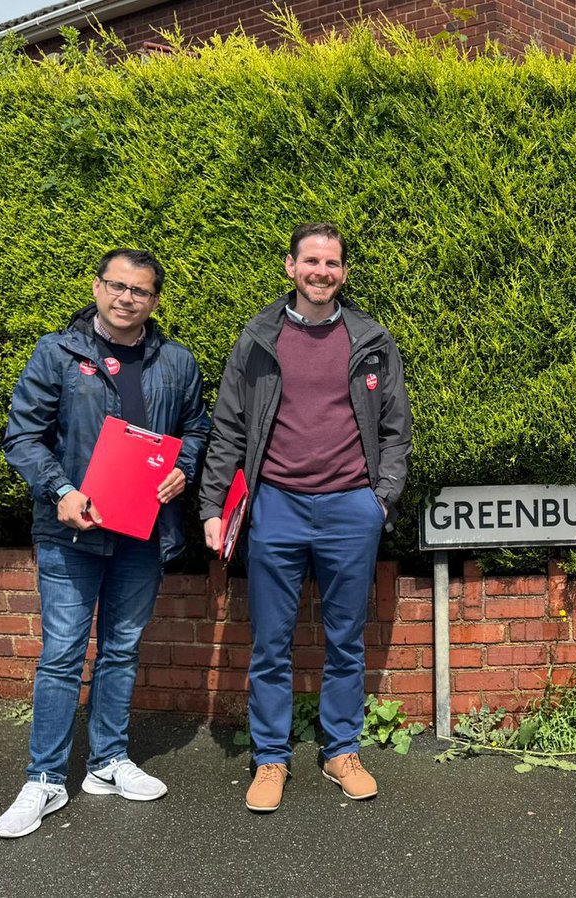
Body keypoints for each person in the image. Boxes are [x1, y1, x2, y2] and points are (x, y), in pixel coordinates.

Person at [199, 223, 411, 813]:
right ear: (290, 266)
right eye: (311, 261)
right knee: (271, 641)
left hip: (351, 508)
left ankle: (340, 749)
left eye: (333, 263)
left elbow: (396, 428)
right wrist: (214, 504)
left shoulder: (370, 338)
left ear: (343, 272)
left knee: (346, 640)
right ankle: (271, 757)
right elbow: (229, 428)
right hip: (276, 506)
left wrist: (381, 498)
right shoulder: (258, 338)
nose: (322, 271)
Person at [0, 249, 209, 839]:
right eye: (116, 286)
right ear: (97, 288)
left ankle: (107, 763)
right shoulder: (57, 353)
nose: (126, 299)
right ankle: (43, 779)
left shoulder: (176, 362)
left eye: (139, 291)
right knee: (62, 654)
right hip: (72, 532)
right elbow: (22, 435)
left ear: (154, 300)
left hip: (143, 533)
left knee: (121, 650)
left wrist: (184, 469)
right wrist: (61, 488)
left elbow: (196, 428)